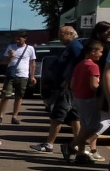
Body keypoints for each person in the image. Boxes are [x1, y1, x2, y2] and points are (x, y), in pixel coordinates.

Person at [29, 24, 88, 153]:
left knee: (57, 115)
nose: (59, 37)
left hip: (67, 88)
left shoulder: (75, 46)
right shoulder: (70, 47)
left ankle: (49, 144)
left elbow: (79, 65)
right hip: (66, 87)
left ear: (70, 34)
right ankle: (79, 144)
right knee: (74, 117)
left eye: (62, 34)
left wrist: (68, 81)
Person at [65, 39, 105, 163]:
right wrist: (103, 87)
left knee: (85, 125)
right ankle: (71, 146)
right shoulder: (93, 67)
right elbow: (94, 86)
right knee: (95, 126)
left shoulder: (80, 65)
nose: (101, 54)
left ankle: (80, 153)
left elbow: (72, 84)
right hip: (89, 99)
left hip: (78, 98)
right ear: (93, 51)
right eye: (100, 52)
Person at [0, 30, 35, 125]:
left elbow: (32, 63)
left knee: (19, 96)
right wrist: (10, 56)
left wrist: (32, 76)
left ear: (25, 38)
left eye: (19, 38)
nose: (17, 40)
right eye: (16, 38)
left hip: (23, 75)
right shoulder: (11, 47)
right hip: (11, 74)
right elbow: (4, 61)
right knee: (6, 95)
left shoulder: (30, 49)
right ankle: (0, 116)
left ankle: (14, 116)